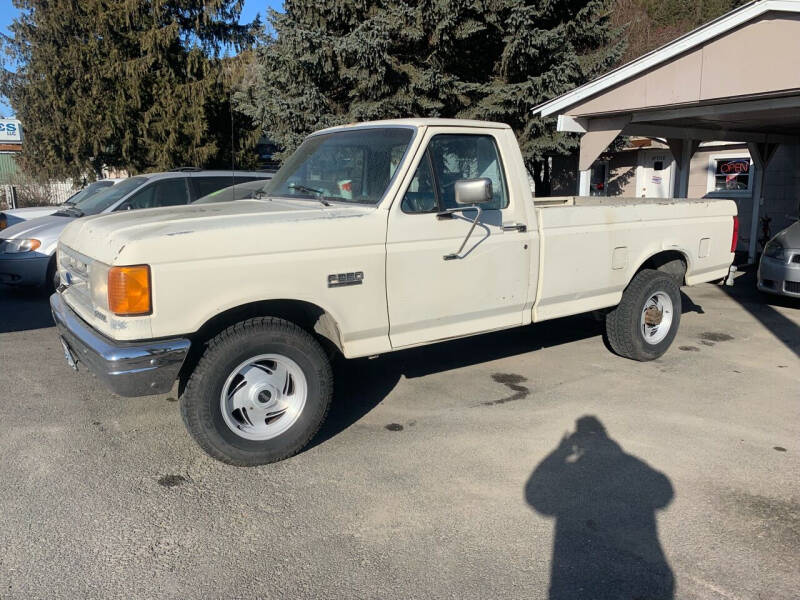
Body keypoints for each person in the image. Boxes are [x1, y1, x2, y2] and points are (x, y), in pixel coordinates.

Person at [526, 416, 674, 600]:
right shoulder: (633, 467)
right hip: (637, 577)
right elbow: (664, 494)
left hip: (580, 580)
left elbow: (536, 496)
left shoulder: (571, 474)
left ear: (579, 443)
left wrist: (558, 454)